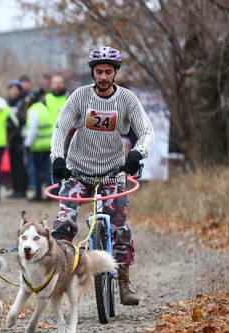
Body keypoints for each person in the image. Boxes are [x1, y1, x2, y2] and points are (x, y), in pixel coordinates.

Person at [50, 46, 154, 306]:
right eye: (99, 72)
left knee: (119, 226)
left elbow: (146, 132)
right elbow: (60, 128)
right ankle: (59, 279)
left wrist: (137, 154)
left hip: (113, 172)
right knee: (64, 223)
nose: (104, 76)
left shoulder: (127, 99)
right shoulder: (79, 97)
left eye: (109, 71)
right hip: (78, 169)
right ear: (92, 73)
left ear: (116, 72)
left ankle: (124, 280)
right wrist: (57, 158)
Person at [23, 88, 52, 202]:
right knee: (46, 170)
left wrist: (27, 144)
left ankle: (38, 194)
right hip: (47, 144)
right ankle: (50, 194)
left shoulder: (33, 110)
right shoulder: (44, 108)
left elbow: (33, 130)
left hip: (36, 146)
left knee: (36, 171)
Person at [6, 79, 28, 199]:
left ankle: (22, 190)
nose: (13, 92)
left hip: (21, 137)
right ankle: (15, 189)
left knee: (21, 165)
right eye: (11, 89)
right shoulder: (7, 103)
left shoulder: (23, 103)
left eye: (16, 90)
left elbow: (23, 119)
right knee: (13, 164)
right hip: (11, 137)